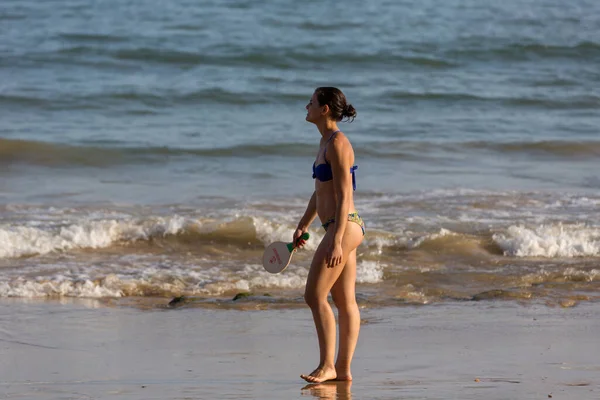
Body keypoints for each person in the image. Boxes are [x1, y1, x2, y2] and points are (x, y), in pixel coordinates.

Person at [293, 87, 365, 383]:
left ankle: (327, 365)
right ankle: (343, 370)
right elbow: (320, 192)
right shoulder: (324, 141)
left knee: (314, 295)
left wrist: (336, 238)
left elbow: (345, 192)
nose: (306, 105)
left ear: (324, 109)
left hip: (343, 226)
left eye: (311, 102)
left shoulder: (338, 143)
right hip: (340, 226)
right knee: (345, 300)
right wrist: (304, 224)